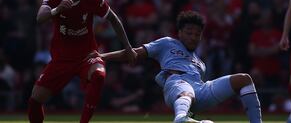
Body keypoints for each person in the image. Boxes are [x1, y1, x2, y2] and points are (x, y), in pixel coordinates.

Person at [91, 10, 262, 123]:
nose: (193, 37)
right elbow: (133, 53)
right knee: (185, 90)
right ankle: (180, 118)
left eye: (197, 34)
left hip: (200, 90)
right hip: (176, 83)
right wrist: (103, 56)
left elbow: (198, 87)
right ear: (179, 32)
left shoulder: (199, 62)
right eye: (189, 32)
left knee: (244, 79)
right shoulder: (167, 43)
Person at [28, 0, 137, 123]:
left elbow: (114, 19)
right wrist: (57, 9)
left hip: (87, 56)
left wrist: (128, 47)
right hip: (61, 60)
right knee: (35, 101)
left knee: (99, 75)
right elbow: (40, 18)